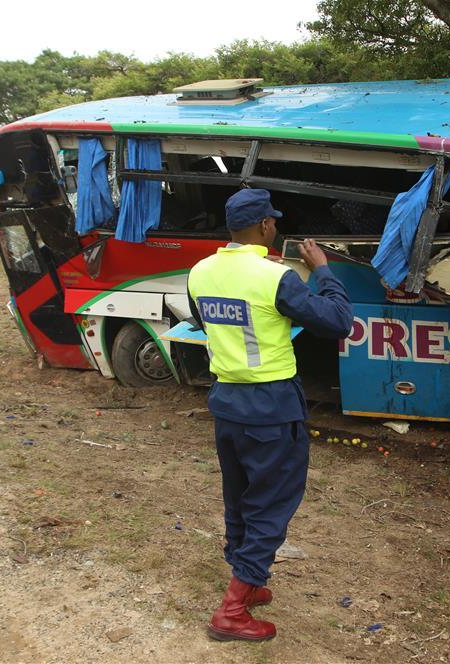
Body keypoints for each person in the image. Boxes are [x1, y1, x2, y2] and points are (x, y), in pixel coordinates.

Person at [187, 188, 353, 642]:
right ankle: (232, 611)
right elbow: (338, 322)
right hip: (271, 408)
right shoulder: (273, 277)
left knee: (240, 497)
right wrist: (323, 270)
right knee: (272, 505)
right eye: (272, 222)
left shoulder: (200, 272)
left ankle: (250, 577)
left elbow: (206, 323)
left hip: (227, 405)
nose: (275, 227)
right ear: (263, 226)